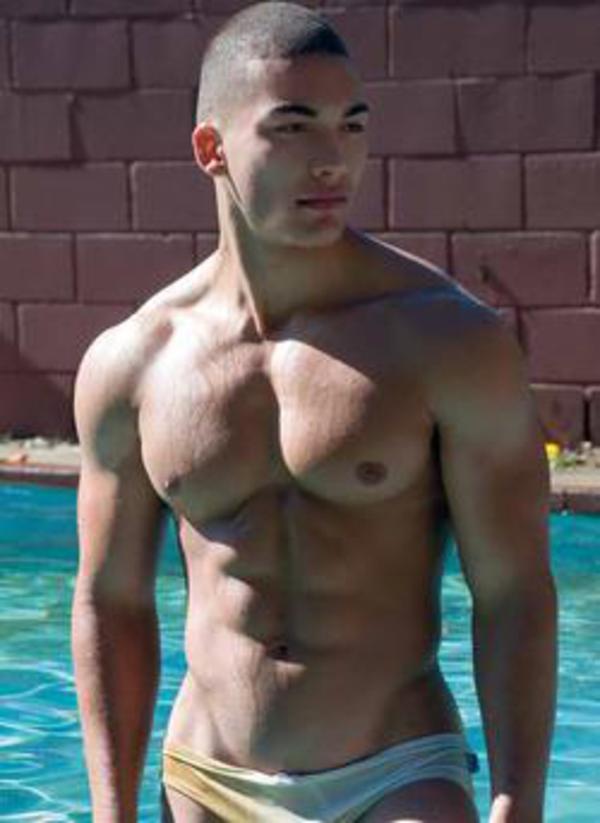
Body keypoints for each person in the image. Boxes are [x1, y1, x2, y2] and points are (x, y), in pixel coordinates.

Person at [71, 3, 557, 821]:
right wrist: (109, 810)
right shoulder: (135, 363)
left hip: (397, 768)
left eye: (351, 126)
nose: (333, 160)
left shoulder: (448, 341)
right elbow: (110, 599)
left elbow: (513, 590)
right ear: (211, 148)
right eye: (293, 128)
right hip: (210, 774)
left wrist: (519, 800)